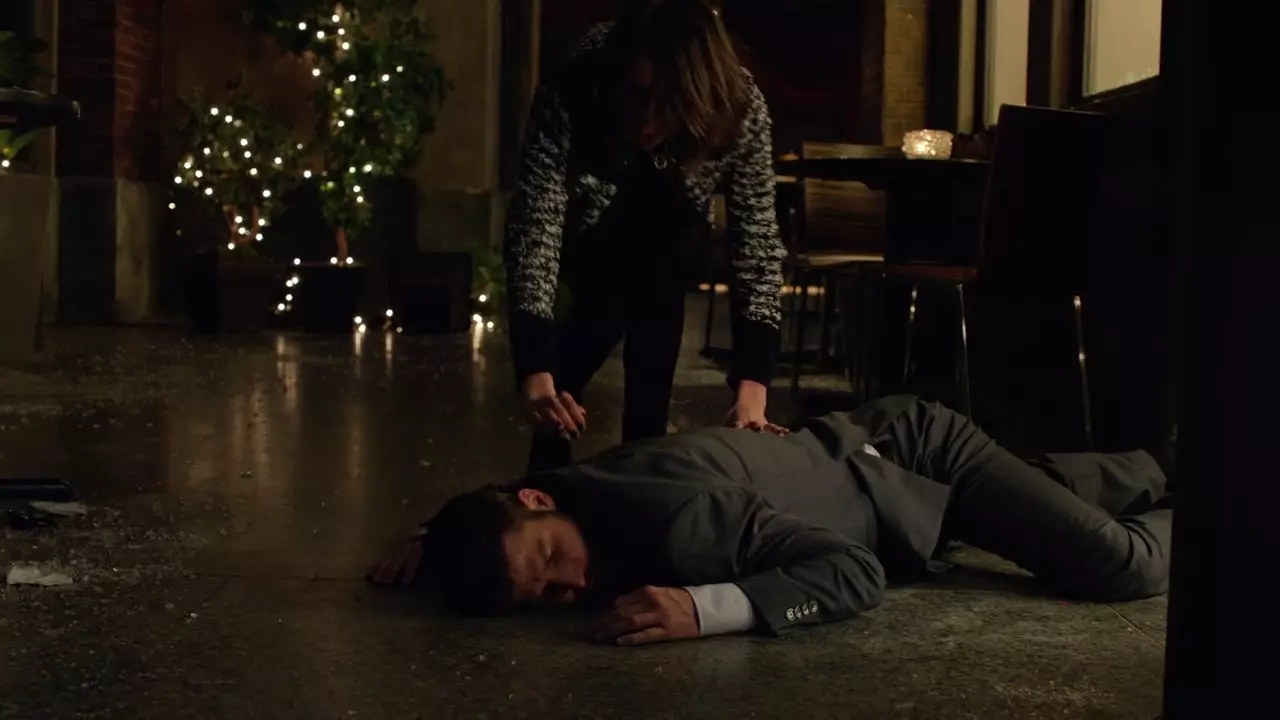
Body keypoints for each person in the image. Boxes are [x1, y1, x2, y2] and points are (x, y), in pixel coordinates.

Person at [369, 396, 1173, 646]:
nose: (570, 585)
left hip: (919, 463)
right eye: (544, 594)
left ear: (540, 509)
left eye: (551, 560)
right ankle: (1157, 465)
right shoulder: (564, 494)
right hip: (864, 464)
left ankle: (1218, 506)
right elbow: (510, 493)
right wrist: (435, 538)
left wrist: (709, 608)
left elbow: (853, 573)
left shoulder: (684, 520)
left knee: (1120, 566)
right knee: (1044, 504)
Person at [503, 0, 789, 474]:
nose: (648, 121)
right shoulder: (577, 80)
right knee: (595, 321)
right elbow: (536, 219)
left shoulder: (737, 104)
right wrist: (535, 369)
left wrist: (753, 384)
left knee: (658, 297)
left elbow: (755, 237)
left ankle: (644, 462)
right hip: (593, 227)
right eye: (636, 96)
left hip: (671, 230)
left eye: (668, 104)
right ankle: (551, 458)